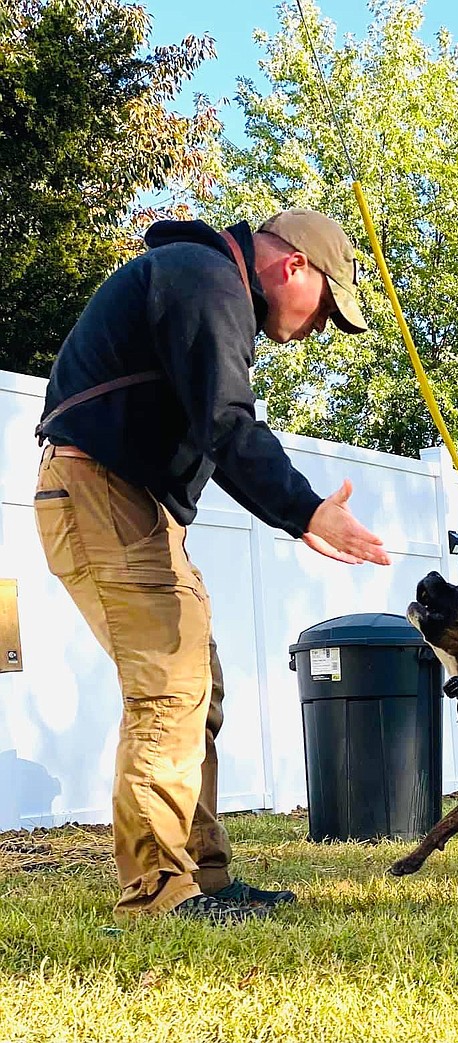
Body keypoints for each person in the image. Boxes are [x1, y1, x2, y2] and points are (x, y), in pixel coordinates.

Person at [33, 210, 391, 924]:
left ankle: (201, 872)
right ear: (295, 267)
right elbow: (228, 422)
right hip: (99, 490)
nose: (322, 327)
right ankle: (158, 890)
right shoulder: (205, 280)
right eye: (328, 307)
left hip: (129, 501)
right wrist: (306, 509)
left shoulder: (202, 282)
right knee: (169, 686)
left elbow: (211, 423)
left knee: (200, 681)